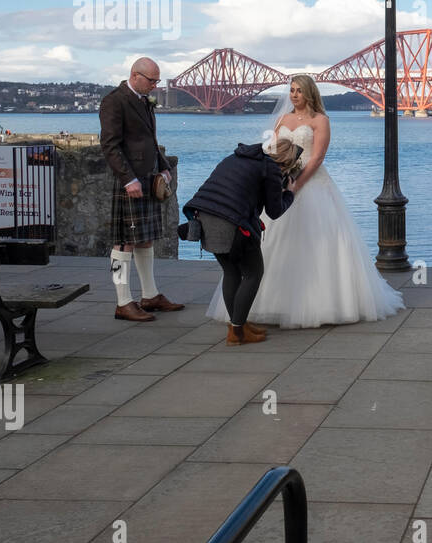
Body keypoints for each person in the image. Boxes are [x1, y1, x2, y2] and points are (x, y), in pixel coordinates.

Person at [207, 74, 404, 327]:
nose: (294, 95)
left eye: (299, 90)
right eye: (291, 90)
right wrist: (276, 182)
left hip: (313, 186)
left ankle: (319, 304)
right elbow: (274, 152)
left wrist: (297, 185)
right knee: (275, 244)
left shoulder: (320, 120)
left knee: (316, 243)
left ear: (310, 93)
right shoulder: (283, 119)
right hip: (282, 185)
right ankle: (260, 308)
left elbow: (317, 158)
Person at [184, 138, 302, 345]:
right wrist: (290, 193)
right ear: (285, 162)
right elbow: (274, 211)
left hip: (203, 217)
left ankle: (238, 325)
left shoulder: (236, 157)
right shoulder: (271, 169)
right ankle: (237, 332)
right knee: (253, 274)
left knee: (231, 272)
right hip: (232, 223)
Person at [99, 57, 184, 322]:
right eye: (152, 81)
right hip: (131, 180)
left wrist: (164, 166)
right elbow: (110, 145)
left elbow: (150, 139)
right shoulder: (114, 101)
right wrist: (127, 179)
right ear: (135, 75)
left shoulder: (144, 100)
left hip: (149, 176)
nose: (156, 86)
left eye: (157, 81)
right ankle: (123, 301)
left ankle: (150, 295)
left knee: (145, 239)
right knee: (123, 242)